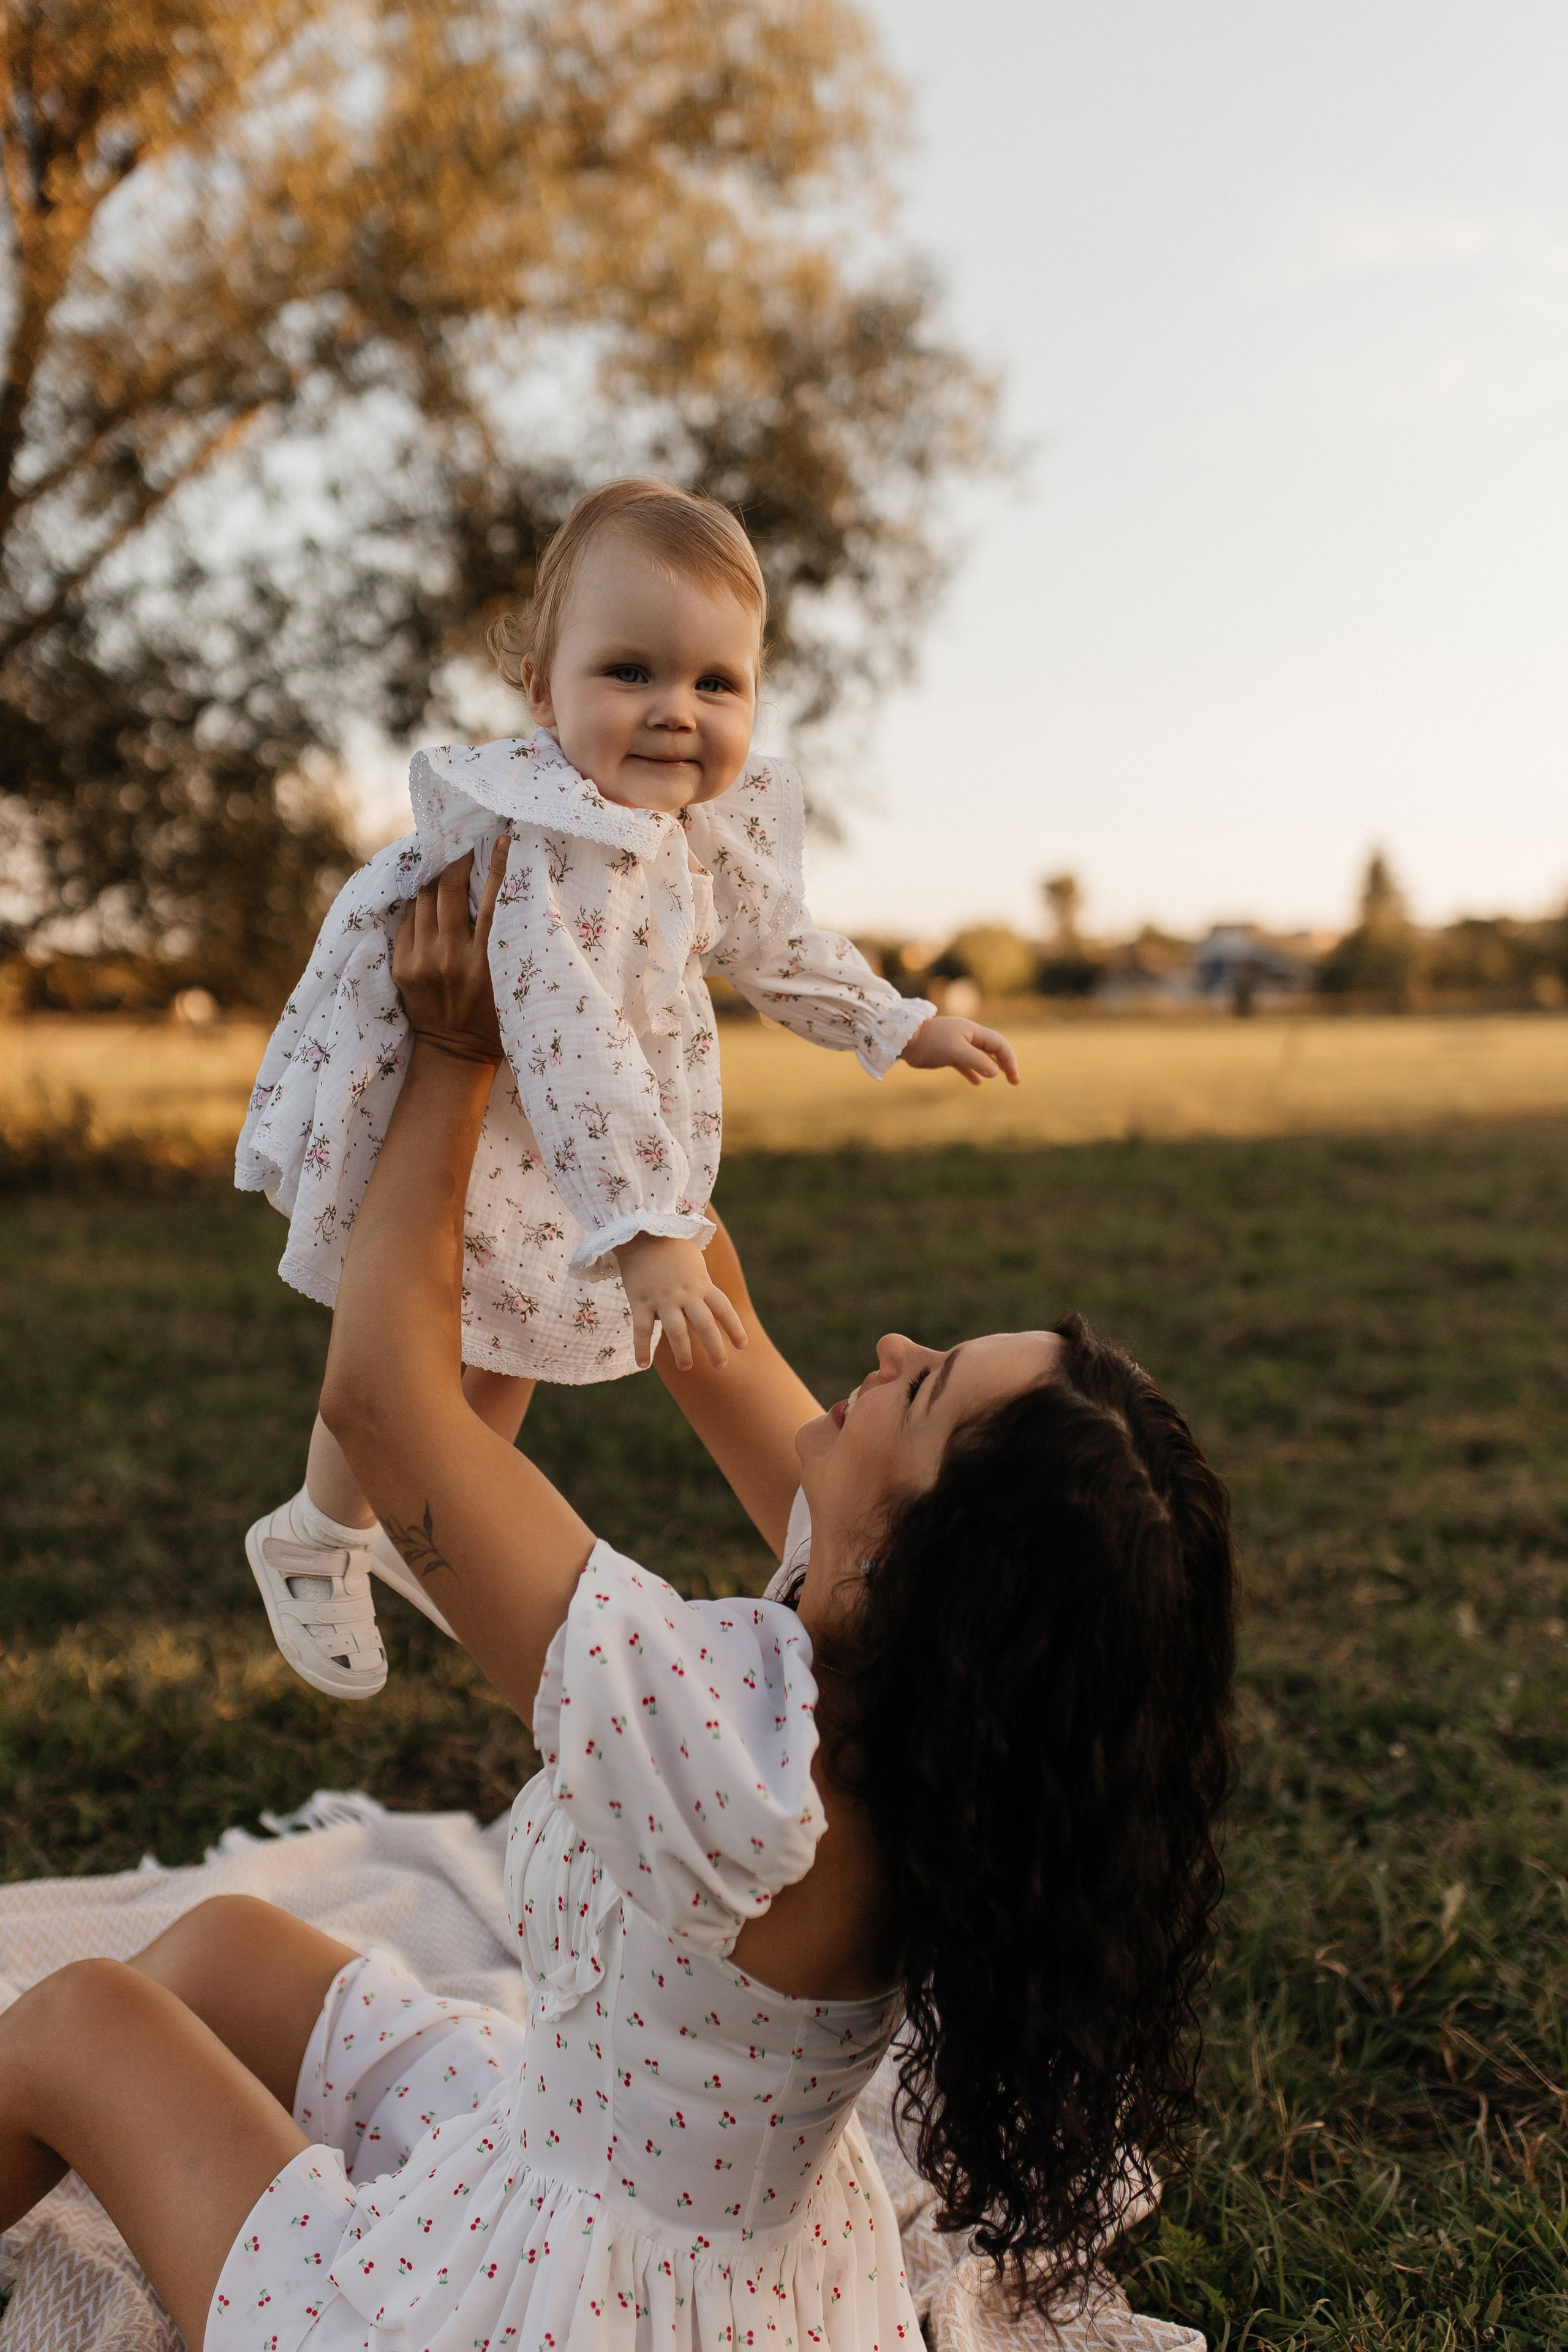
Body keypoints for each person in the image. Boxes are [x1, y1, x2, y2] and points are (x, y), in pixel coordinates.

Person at [0, 854, 1234, 2352]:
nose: (893, 1348)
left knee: (74, 2020)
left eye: (923, 1390)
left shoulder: (723, 1748)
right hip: (638, 2205)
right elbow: (706, 1315)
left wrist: (452, 1057)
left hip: (550, 2304)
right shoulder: (926, 1707)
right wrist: (595, 981)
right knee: (225, 1950)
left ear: (921, 1564)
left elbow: (385, 1408)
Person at [235, 477, 1020, 1700]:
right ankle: (321, 1528)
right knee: (424, 1318)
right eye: (630, 672)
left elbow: (778, 947)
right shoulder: (545, 838)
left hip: (555, 1127)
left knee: (515, 1328)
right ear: (543, 694)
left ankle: (422, 1516)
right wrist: (648, 1229)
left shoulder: (698, 830)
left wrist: (900, 1024)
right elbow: (572, 1035)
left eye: (716, 683)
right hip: (464, 1080)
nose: (675, 711)